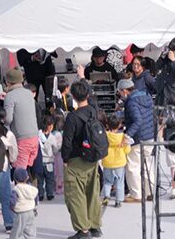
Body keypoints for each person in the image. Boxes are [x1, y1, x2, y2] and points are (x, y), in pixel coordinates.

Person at [60, 80, 104, 239]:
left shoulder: (72, 117)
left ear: (73, 96)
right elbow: (92, 97)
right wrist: (82, 77)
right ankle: (95, 226)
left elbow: (67, 141)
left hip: (76, 159)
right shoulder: (93, 110)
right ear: (87, 94)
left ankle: (83, 230)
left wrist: (65, 159)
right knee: (93, 192)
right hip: (92, 158)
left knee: (76, 195)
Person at [118, 78, 154, 203]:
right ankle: (150, 192)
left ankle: (136, 194)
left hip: (138, 138)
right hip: (150, 135)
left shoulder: (131, 102)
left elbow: (138, 120)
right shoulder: (146, 96)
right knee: (147, 165)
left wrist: (127, 136)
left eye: (120, 92)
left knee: (132, 166)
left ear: (124, 91)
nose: (120, 95)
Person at [10, 166, 38, 239]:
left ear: (15, 179)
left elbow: (13, 201)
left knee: (17, 230)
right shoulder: (31, 188)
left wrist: (12, 208)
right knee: (30, 230)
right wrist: (35, 207)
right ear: (27, 178)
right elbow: (36, 198)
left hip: (21, 212)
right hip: (31, 211)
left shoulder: (16, 189)